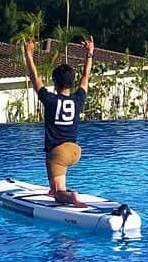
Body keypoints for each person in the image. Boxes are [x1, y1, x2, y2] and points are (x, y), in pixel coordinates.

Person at [23, 37, 94, 207]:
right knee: (58, 172)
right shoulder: (78, 99)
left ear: (55, 83)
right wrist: (90, 53)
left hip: (58, 153)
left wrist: (28, 53)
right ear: (72, 83)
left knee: (57, 194)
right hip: (75, 151)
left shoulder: (50, 100)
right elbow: (86, 76)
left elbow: (34, 77)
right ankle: (57, 186)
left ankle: (69, 196)